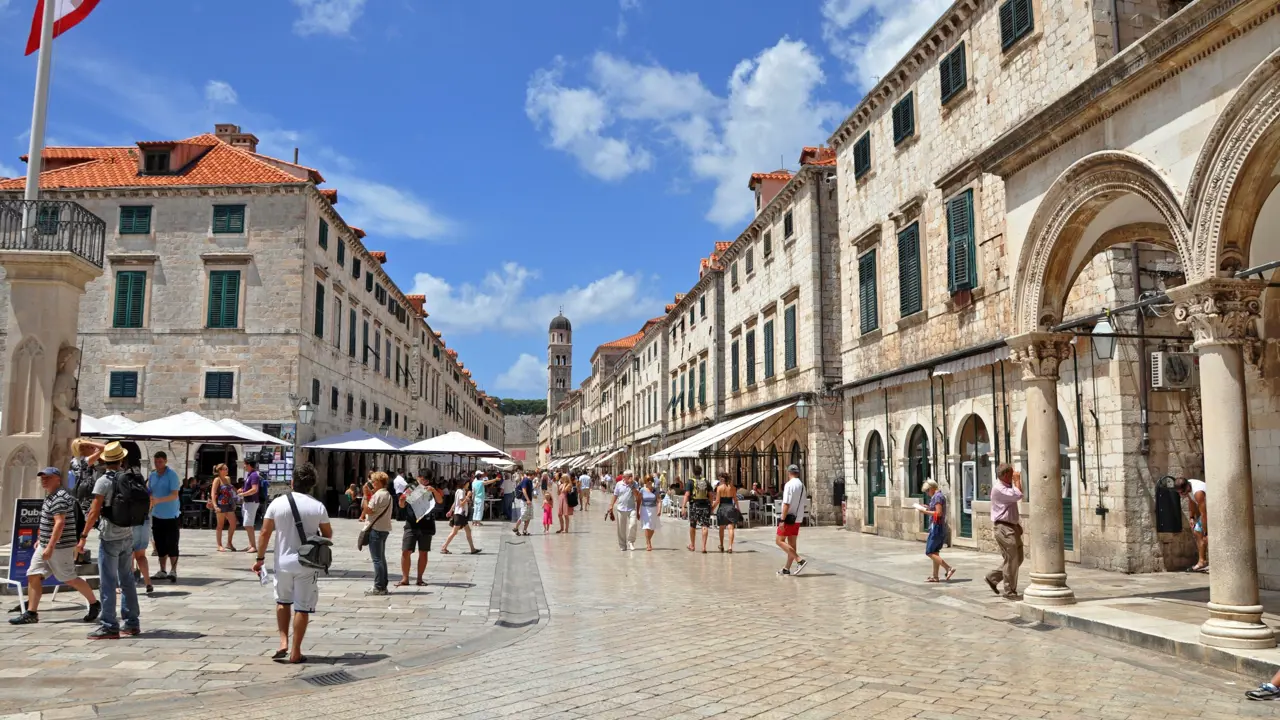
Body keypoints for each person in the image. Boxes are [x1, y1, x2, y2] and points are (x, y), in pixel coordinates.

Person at [252, 463, 331, 665]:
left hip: (282, 562)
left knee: (282, 601)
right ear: (312, 485)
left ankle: (283, 642)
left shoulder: (277, 504)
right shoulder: (318, 506)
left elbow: (264, 533)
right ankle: (296, 651)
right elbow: (328, 535)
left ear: (292, 482)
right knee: (302, 608)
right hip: (307, 563)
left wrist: (259, 559)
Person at [9, 468, 101, 626]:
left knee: (69, 579)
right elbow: (48, 521)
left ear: (57, 479)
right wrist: (41, 538)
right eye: (42, 478)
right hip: (46, 544)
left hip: (60, 547)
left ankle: (94, 603)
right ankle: (31, 613)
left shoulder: (60, 497)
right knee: (33, 574)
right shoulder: (50, 496)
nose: (44, 480)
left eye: (48, 478)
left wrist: (50, 547)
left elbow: (59, 523)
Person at [77, 442, 140, 639]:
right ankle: (131, 622)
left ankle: (109, 625)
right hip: (127, 534)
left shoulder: (103, 481)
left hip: (110, 536)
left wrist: (83, 536)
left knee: (108, 581)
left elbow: (94, 511)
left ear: (104, 461)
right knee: (127, 579)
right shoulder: (130, 478)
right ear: (121, 460)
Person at [985, 464, 1024, 599]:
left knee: (1018, 558)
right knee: (1012, 559)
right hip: (1004, 528)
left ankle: (992, 577)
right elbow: (1018, 495)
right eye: (1011, 474)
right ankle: (1009, 591)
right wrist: (1018, 480)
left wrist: (1017, 525)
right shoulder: (999, 489)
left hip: (1011, 527)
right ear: (1005, 475)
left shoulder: (1006, 487)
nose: (1013, 475)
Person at [397, 472, 442, 587]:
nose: (424, 482)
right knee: (406, 551)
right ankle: (405, 578)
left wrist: (433, 490)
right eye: (423, 479)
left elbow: (440, 501)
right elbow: (402, 504)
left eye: (427, 480)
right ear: (418, 478)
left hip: (426, 524)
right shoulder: (411, 487)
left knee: (423, 552)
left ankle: (420, 578)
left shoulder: (430, 489)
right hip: (411, 524)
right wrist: (402, 500)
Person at [148, 451, 182, 585]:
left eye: (160, 462)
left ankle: (173, 570)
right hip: (157, 514)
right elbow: (149, 490)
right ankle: (162, 570)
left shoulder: (172, 475)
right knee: (160, 543)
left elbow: (174, 495)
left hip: (171, 514)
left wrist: (158, 500)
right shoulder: (152, 475)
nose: (158, 464)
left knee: (172, 543)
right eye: (156, 462)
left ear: (165, 461)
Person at [916, 480, 955, 583]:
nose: (927, 493)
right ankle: (935, 576)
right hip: (939, 527)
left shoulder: (937, 497)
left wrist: (924, 511)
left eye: (927, 491)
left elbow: (938, 513)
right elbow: (936, 510)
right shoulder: (938, 496)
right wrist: (928, 507)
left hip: (936, 527)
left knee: (929, 552)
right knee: (935, 552)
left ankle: (948, 568)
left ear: (932, 488)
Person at [361, 471, 394, 595]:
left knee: (377, 560)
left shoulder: (377, 495)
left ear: (380, 482)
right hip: (384, 529)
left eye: (374, 481)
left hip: (375, 529)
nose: (372, 483)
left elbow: (368, 510)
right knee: (381, 558)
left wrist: (365, 496)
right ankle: (383, 585)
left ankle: (378, 587)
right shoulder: (387, 495)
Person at [775, 465, 809, 576]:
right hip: (798, 518)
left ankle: (800, 560)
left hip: (789, 518)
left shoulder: (789, 485)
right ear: (798, 473)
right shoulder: (802, 486)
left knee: (779, 541)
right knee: (792, 544)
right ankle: (786, 568)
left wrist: (782, 519)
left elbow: (786, 503)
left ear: (789, 473)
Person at [1174, 477, 1208, 572]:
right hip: (1206, 512)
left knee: (1207, 537)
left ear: (1187, 487)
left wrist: (1206, 532)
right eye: (1179, 493)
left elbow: (1204, 514)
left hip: (1212, 510)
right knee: (1197, 531)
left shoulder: (1198, 493)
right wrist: (1191, 517)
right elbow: (1191, 502)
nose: (1181, 495)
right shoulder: (1189, 486)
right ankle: (1202, 561)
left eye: (1182, 492)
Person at [440, 480, 480, 554]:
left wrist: (450, 511)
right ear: (464, 484)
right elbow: (461, 503)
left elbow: (455, 502)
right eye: (467, 484)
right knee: (454, 532)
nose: (468, 485)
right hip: (460, 515)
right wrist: (468, 496)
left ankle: (472, 549)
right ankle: (444, 547)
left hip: (460, 514)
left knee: (468, 531)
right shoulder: (461, 492)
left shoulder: (458, 491)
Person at [208, 463, 240, 552]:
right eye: (225, 469)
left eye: (227, 469)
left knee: (233, 523)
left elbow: (230, 489)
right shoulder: (217, 480)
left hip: (229, 504)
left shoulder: (228, 479)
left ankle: (229, 543)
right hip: (220, 504)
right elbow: (213, 493)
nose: (227, 470)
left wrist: (237, 492)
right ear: (220, 470)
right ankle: (219, 545)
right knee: (220, 525)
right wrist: (215, 505)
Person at [608, 470, 640, 551]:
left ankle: (631, 542)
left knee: (633, 524)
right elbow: (615, 495)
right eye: (628, 476)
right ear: (624, 477)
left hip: (631, 508)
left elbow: (637, 496)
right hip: (621, 508)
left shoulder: (635, 483)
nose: (630, 477)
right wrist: (611, 505)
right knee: (621, 528)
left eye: (631, 476)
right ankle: (622, 545)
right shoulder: (619, 484)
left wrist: (632, 486)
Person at [238, 460, 264, 554]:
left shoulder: (254, 475)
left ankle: (253, 546)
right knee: (247, 524)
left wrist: (243, 494)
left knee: (248, 524)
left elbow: (254, 489)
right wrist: (242, 490)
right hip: (247, 502)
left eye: (245, 464)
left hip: (252, 502)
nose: (244, 466)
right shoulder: (249, 475)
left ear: (249, 465)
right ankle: (250, 545)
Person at [685, 466, 713, 553]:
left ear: (693, 472)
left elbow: (687, 494)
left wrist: (683, 506)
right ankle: (704, 547)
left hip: (694, 505)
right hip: (705, 505)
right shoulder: (706, 481)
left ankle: (692, 545)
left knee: (693, 525)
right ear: (701, 472)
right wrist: (711, 505)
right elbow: (711, 494)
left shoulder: (690, 482)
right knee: (704, 525)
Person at [713, 472, 742, 553]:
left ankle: (721, 545)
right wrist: (738, 508)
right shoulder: (733, 488)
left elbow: (717, 501)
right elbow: (735, 499)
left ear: (723, 479)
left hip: (722, 508)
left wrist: (712, 508)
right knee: (731, 528)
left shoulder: (719, 488)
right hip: (730, 508)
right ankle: (730, 547)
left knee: (721, 528)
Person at [638, 475, 661, 551]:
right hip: (645, 509)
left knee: (652, 528)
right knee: (647, 526)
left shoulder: (655, 490)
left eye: (651, 480)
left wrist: (659, 510)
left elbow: (659, 501)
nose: (650, 481)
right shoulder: (642, 490)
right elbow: (639, 501)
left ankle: (648, 540)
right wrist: (638, 511)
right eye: (648, 480)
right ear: (645, 481)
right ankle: (648, 543)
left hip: (653, 509)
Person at [512, 471, 535, 536]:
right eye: (534, 475)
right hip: (525, 501)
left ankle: (525, 530)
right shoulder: (526, 480)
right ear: (532, 475)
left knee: (529, 516)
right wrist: (527, 499)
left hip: (529, 501)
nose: (534, 477)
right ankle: (515, 528)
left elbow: (529, 490)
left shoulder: (529, 481)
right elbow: (524, 490)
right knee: (523, 515)